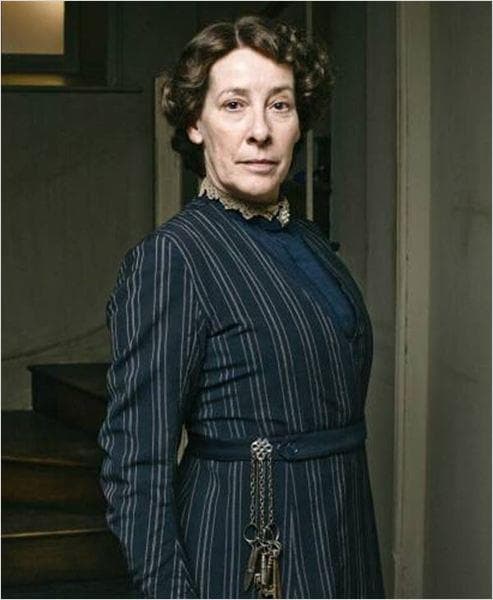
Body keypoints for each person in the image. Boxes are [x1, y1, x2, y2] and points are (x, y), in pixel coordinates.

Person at [98, 15, 385, 600]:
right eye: (234, 105)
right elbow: (136, 466)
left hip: (345, 537)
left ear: (300, 121)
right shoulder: (174, 258)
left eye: (280, 105)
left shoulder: (308, 241)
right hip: (245, 548)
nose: (260, 131)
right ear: (195, 123)